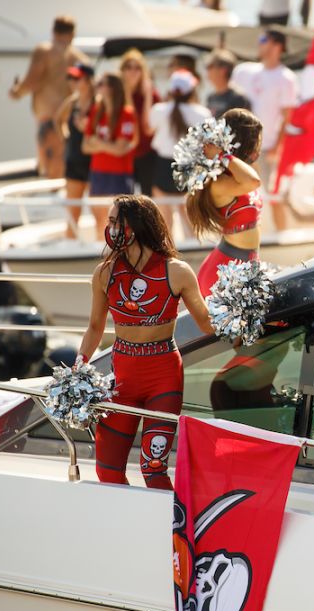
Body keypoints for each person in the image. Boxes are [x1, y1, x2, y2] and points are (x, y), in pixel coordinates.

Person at [78, 196, 216, 489]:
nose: (111, 228)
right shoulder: (104, 273)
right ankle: (126, 527)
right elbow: (94, 327)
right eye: (110, 222)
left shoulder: (176, 271)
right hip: (122, 381)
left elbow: (206, 323)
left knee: (153, 470)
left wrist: (242, 319)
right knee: (107, 469)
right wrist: (79, 368)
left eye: (117, 222)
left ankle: (168, 532)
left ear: (137, 225)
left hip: (163, 380)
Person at [186, 109, 266, 296]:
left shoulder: (235, 174)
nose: (258, 150)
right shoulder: (218, 182)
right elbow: (254, 182)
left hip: (245, 264)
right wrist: (221, 155)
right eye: (257, 142)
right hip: (225, 269)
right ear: (245, 142)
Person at [233, 30, 299, 231]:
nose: (258, 44)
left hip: (267, 146)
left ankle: (281, 236)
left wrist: (277, 147)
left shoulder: (286, 77)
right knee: (242, 194)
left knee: (272, 194)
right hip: (241, 146)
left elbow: (287, 117)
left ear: (277, 46)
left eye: (263, 40)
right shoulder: (244, 71)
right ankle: (245, 235)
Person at [9, 16, 88, 179]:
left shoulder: (44, 51)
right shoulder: (80, 58)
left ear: (53, 31)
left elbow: (31, 81)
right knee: (62, 164)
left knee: (50, 167)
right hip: (69, 120)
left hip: (49, 119)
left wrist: (16, 92)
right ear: (73, 34)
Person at [150, 70, 213, 235]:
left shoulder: (159, 110)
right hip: (189, 168)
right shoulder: (202, 113)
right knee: (191, 222)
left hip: (162, 167)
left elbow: (148, 128)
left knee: (165, 221)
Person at [83, 72, 140, 236]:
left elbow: (120, 149)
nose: (97, 86)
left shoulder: (126, 114)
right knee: (99, 217)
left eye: (102, 83)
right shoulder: (96, 111)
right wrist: (109, 145)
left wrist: (98, 143)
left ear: (112, 88)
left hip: (119, 174)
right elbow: (85, 146)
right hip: (98, 172)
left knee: (120, 218)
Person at [54, 62, 96, 238]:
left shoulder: (98, 103)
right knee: (72, 210)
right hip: (74, 161)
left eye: (77, 78)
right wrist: (67, 138)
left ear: (88, 80)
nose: (72, 82)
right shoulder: (72, 103)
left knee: (98, 210)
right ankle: (70, 243)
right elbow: (58, 120)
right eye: (70, 78)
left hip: (94, 162)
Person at [119, 49, 161, 196]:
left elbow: (147, 126)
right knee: (123, 198)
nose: (133, 71)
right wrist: (126, 93)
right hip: (123, 151)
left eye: (137, 67)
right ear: (122, 70)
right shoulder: (116, 93)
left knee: (147, 197)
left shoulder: (151, 93)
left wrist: (148, 94)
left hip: (147, 152)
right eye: (128, 67)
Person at [204, 50, 252, 118]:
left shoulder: (238, 98)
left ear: (223, 70)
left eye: (210, 66)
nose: (207, 71)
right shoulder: (211, 97)